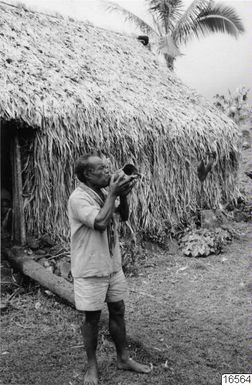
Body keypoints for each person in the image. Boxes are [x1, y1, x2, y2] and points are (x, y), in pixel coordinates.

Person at [68, 154, 151, 385]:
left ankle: (123, 358)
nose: (108, 172)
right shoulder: (78, 198)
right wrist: (114, 193)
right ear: (87, 174)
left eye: (107, 168)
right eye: (102, 169)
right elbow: (100, 223)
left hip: (112, 265)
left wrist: (122, 196)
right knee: (92, 318)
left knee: (118, 309)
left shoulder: (103, 193)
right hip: (90, 268)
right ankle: (92, 367)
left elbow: (122, 216)